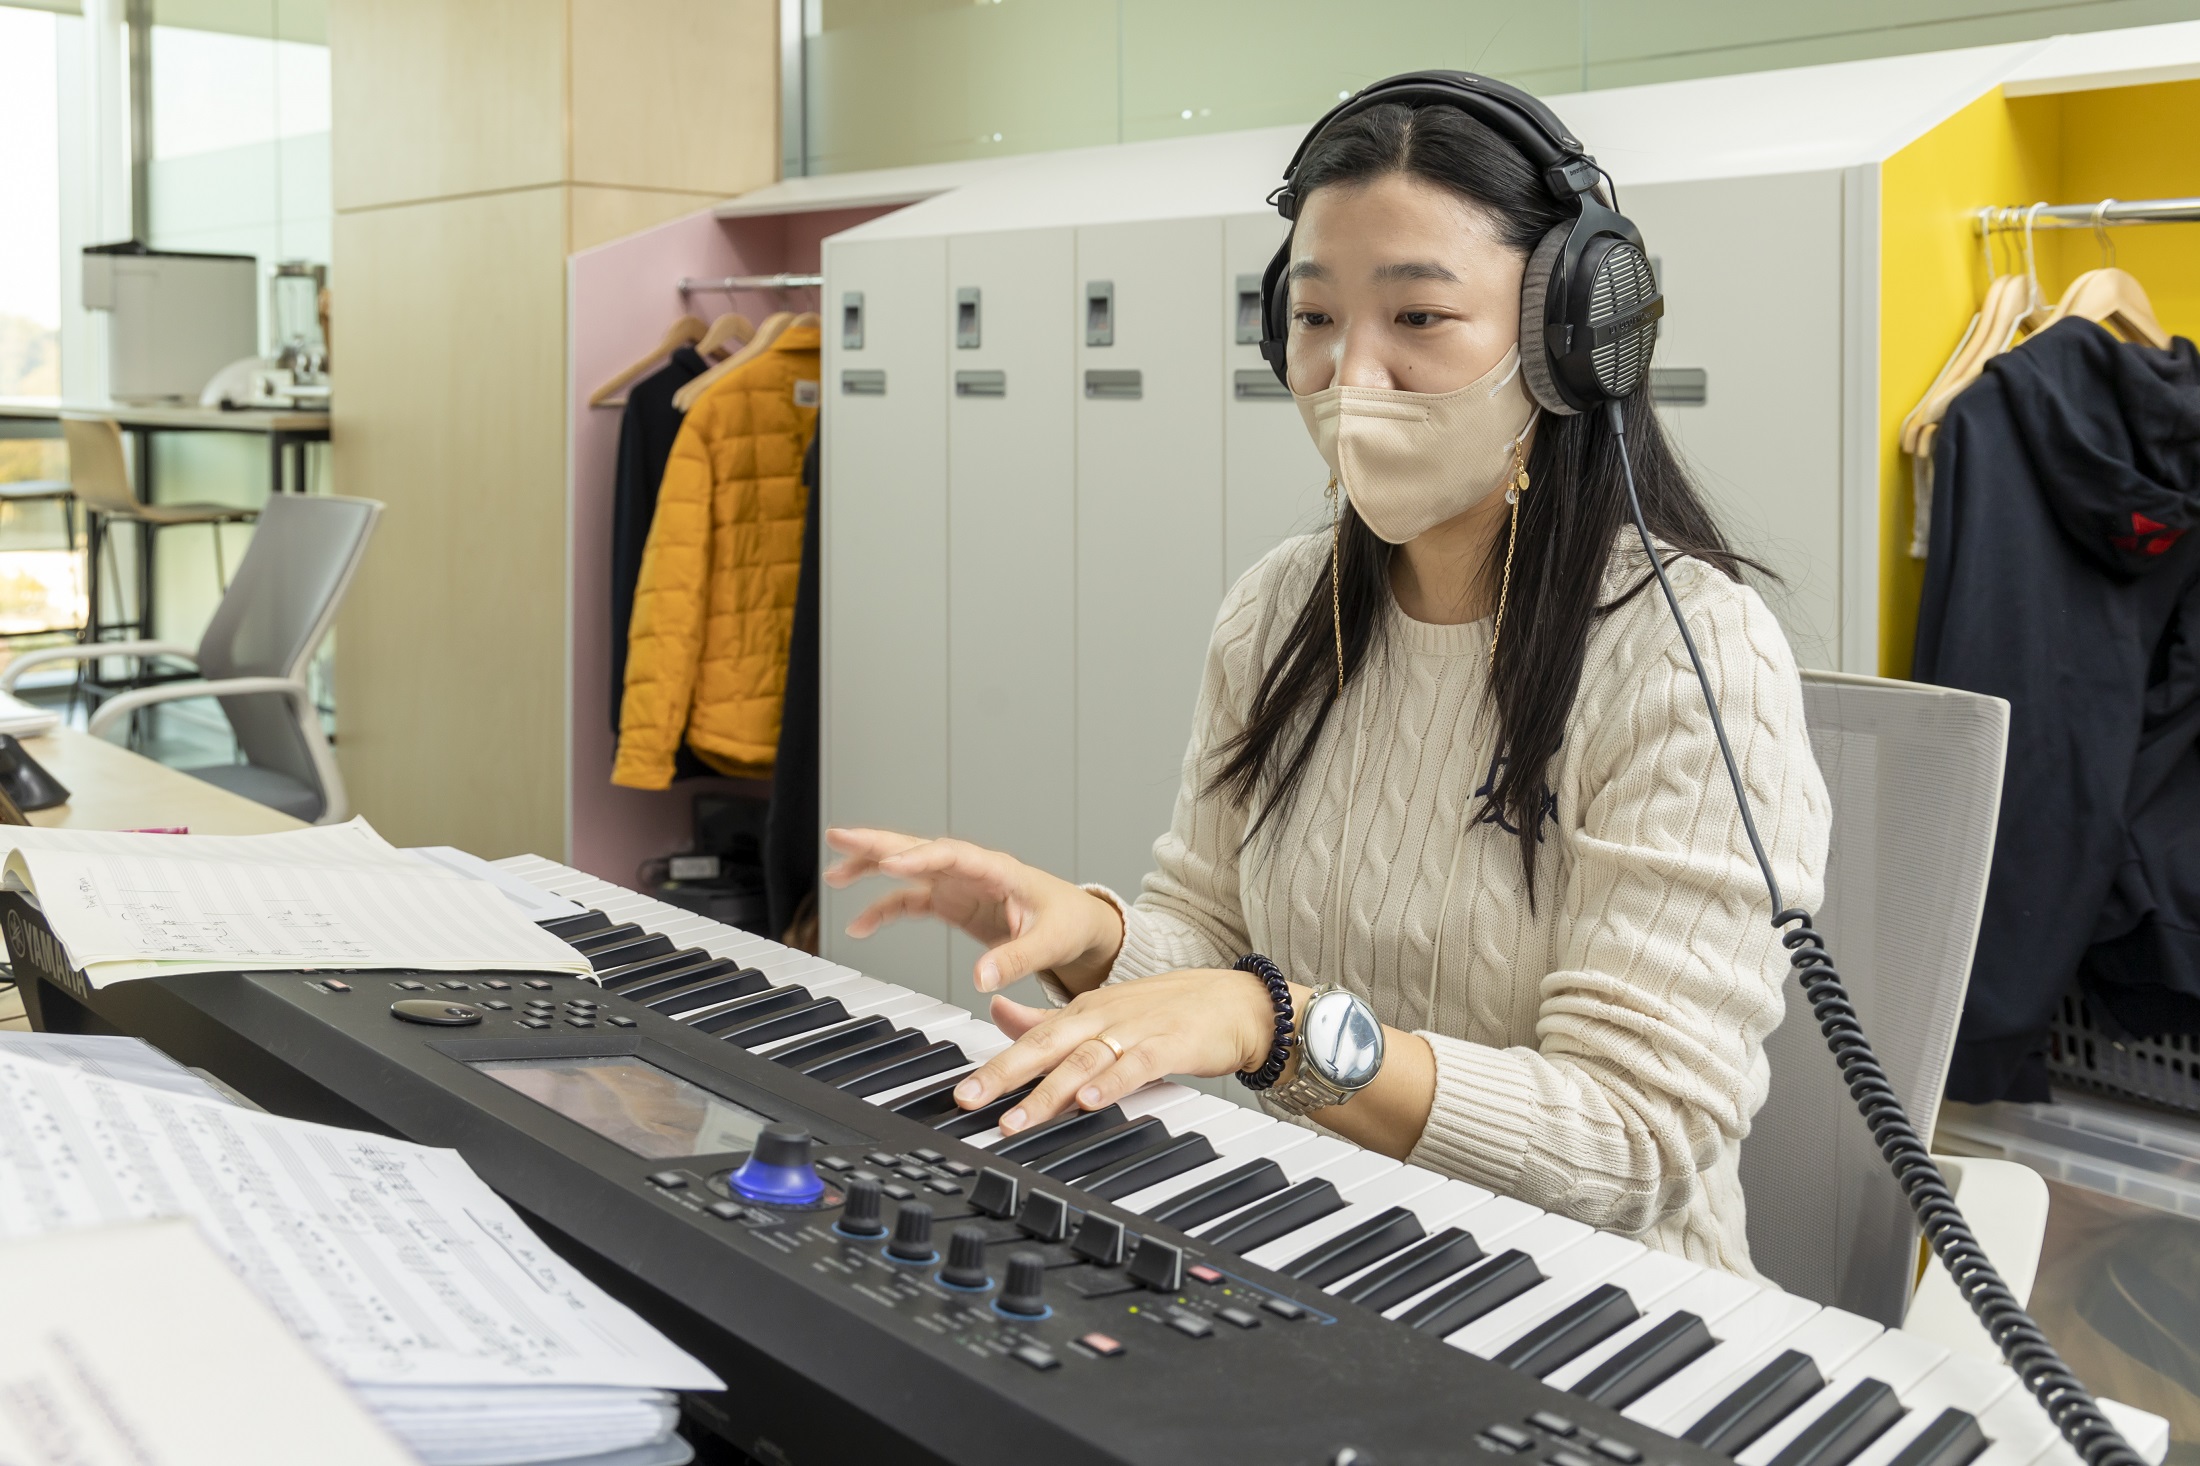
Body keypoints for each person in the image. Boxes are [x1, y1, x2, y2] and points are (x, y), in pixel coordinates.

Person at [824, 86, 1829, 1277]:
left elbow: (1631, 1138)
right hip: (1311, 1244)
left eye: (1418, 314)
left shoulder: (1686, 652)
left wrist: (1278, 1026)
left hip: (1593, 1305)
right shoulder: (1281, 608)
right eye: (1315, 318)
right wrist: (1087, 933)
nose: (1354, 374)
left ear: (1570, 339)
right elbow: (1210, 944)